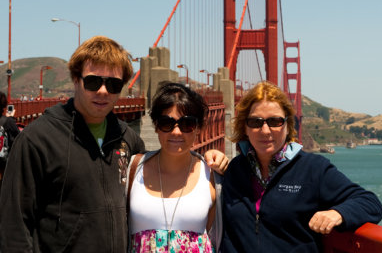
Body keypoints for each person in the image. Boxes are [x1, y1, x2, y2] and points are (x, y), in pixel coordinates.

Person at [0, 36, 228, 252]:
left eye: (113, 84)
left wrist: (208, 157)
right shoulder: (37, 139)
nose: (102, 91)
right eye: (92, 81)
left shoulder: (127, 138)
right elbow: (14, 225)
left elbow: (164, 165)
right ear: (76, 80)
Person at [221, 81, 382, 253]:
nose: (265, 130)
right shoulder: (234, 169)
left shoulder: (312, 168)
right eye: (256, 122)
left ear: (288, 125)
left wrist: (338, 213)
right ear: (245, 127)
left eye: (275, 121)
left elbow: (370, 203)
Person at [127, 82, 223, 252]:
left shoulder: (212, 175)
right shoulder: (134, 169)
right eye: (166, 123)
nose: (176, 132)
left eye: (187, 124)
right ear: (156, 126)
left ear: (199, 128)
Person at [0, 91, 20, 189]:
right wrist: (11, 118)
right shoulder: (7, 121)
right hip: (3, 163)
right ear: (4, 106)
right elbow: (18, 137)